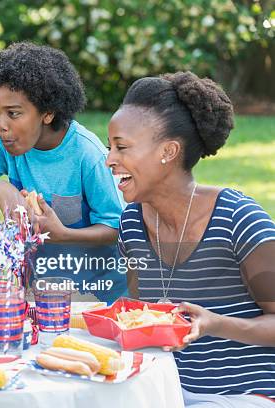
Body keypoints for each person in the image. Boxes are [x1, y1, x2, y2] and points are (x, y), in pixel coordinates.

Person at [108, 71, 275, 406]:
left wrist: (214, 324)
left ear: (168, 151)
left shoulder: (238, 219)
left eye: (122, 148)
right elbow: (146, 318)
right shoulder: (131, 224)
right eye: (110, 147)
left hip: (246, 394)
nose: (110, 159)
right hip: (165, 390)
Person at [0, 42, 126, 303]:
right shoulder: (1, 140)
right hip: (42, 287)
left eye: (13, 113)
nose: (1, 125)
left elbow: (115, 229)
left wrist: (63, 235)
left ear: (47, 113)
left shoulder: (87, 154)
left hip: (97, 292)